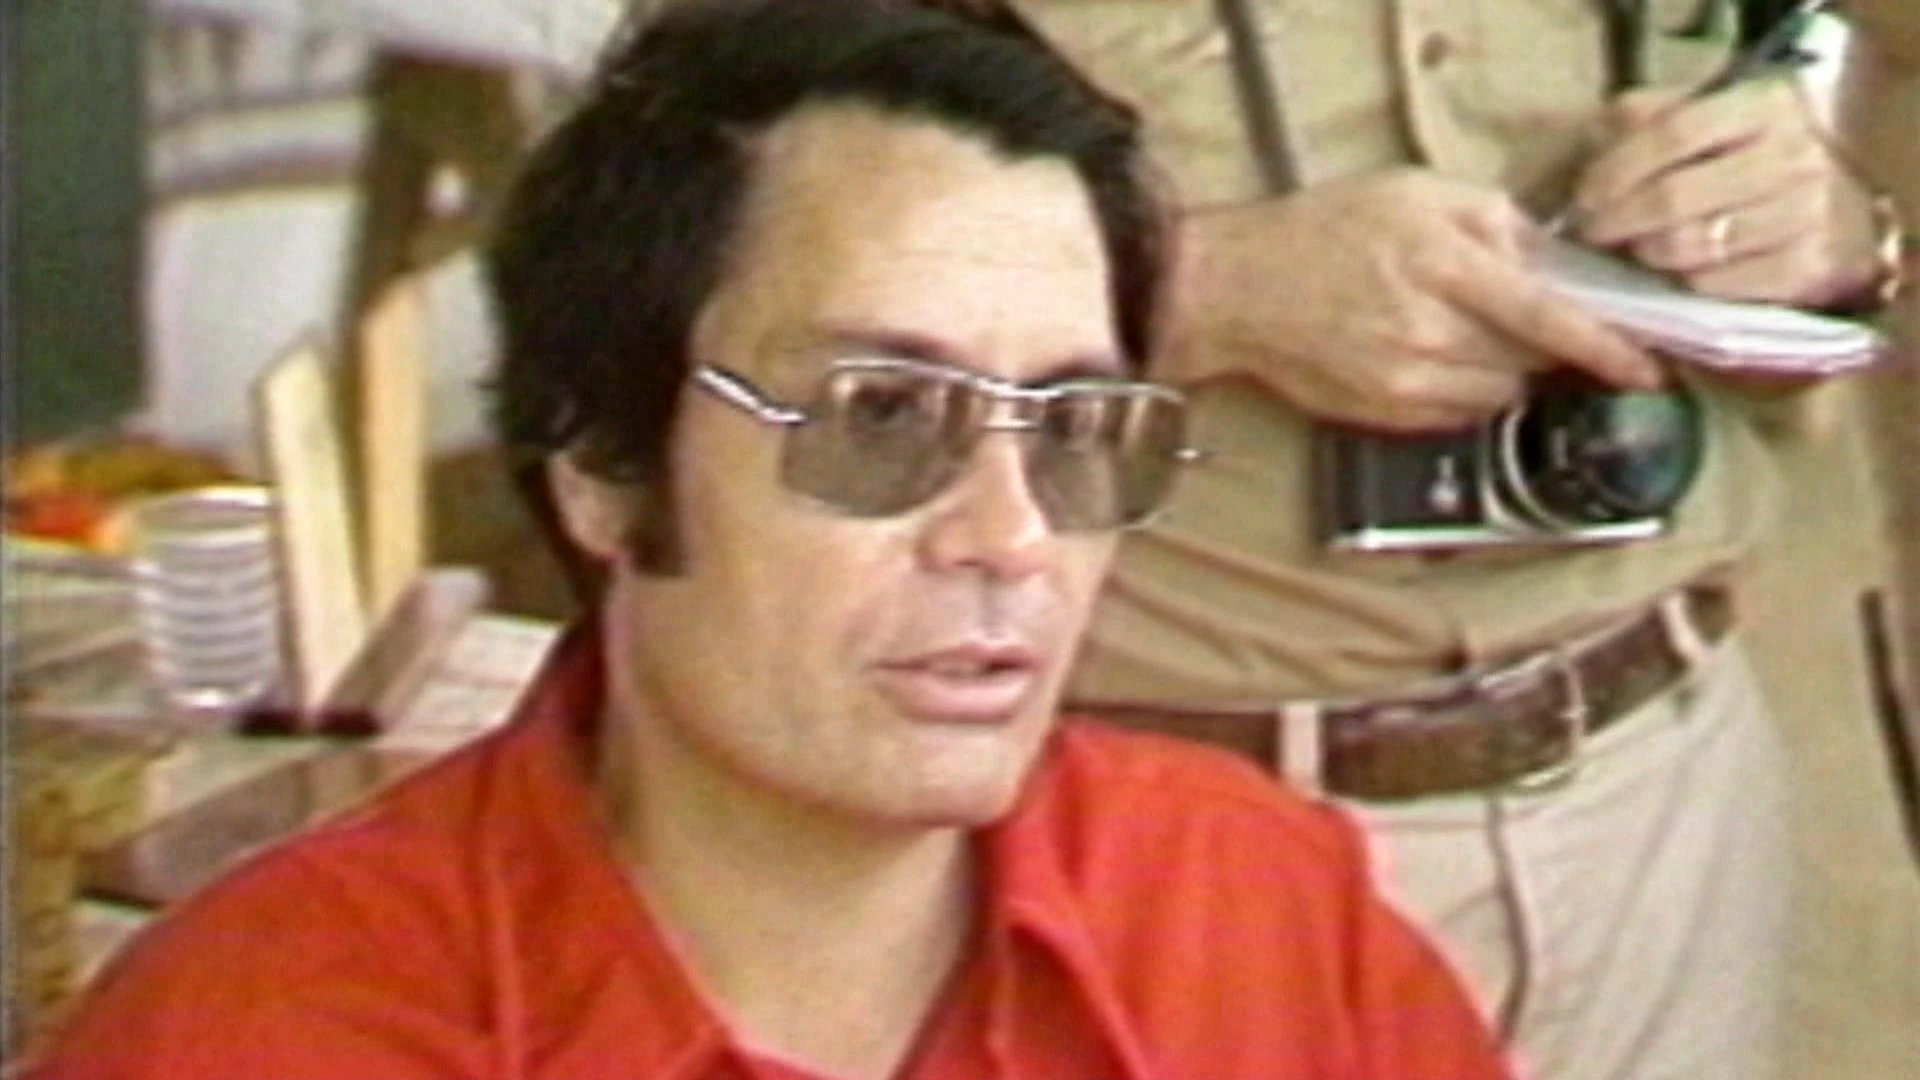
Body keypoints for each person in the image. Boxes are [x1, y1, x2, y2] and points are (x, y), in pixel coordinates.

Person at [23, 2, 1513, 1077]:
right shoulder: (263, 1032)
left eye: (1072, 428)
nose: (1010, 538)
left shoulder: (1262, 916)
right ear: (606, 466)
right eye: (881, 416)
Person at [993, 1, 1917, 1079]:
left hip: (1661, 795)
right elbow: (818, 213)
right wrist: (1202, 284)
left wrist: (1844, 208)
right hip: (1160, 830)